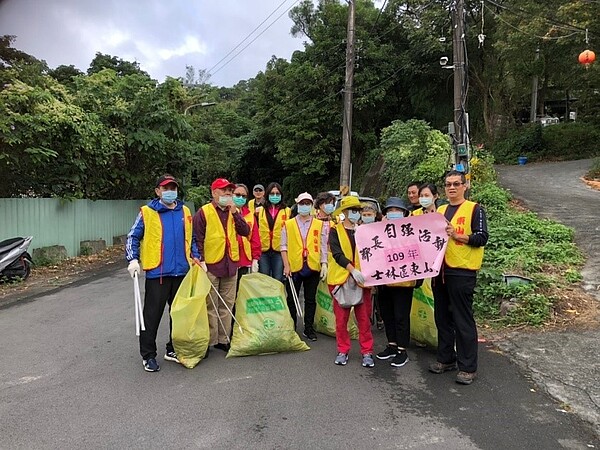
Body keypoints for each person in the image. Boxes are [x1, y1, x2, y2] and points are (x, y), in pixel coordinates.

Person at [126, 174, 201, 372]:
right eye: (166, 188)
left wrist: (196, 256)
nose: (170, 191)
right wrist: (133, 259)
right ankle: (148, 355)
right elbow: (133, 236)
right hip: (157, 273)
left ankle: (173, 348)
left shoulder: (184, 211)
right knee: (152, 316)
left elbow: (191, 238)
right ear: (158, 191)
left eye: (173, 188)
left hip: (181, 272)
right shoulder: (147, 212)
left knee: (178, 315)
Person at [429, 170, 488, 385]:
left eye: (456, 184)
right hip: (440, 271)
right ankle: (446, 359)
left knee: (463, 319)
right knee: (442, 317)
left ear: (465, 186)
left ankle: (468, 367)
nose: (451, 188)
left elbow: (482, 238)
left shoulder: (475, 209)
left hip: (462, 271)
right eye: (448, 184)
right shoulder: (441, 210)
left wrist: (457, 235)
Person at [193, 178, 250, 353]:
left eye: (229, 192)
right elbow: (197, 238)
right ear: (214, 193)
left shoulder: (233, 212)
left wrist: (235, 213)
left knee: (227, 304)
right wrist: (200, 260)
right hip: (210, 264)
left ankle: (224, 338)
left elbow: (245, 231)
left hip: (231, 264)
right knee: (211, 305)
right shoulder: (204, 212)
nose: (227, 194)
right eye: (224, 191)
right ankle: (211, 340)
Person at [327, 196, 375, 368]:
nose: (356, 213)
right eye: (352, 210)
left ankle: (367, 352)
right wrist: (352, 270)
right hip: (341, 279)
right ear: (345, 212)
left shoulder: (364, 230)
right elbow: (337, 253)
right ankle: (343, 350)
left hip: (363, 281)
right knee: (341, 320)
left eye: (358, 210)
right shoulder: (335, 231)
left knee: (364, 319)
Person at [375, 197, 419, 367]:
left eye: (397, 211)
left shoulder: (410, 232)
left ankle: (402, 350)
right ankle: (391, 345)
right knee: (387, 313)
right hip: (384, 280)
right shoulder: (379, 232)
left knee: (401, 315)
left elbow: (418, 254)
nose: (394, 214)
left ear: (404, 213)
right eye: (390, 211)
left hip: (404, 281)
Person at [281, 192, 328, 340]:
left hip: (312, 265)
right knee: (291, 299)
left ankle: (309, 328)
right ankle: (292, 327)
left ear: (312, 206)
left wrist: (324, 263)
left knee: (310, 299)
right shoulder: (288, 224)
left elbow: (323, 246)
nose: (305, 206)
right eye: (302, 203)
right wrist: (286, 265)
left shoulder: (319, 224)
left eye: (308, 203)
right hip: (294, 266)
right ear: (297, 205)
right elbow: (283, 246)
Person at [257, 182, 290, 282]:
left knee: (278, 279)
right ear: (267, 195)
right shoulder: (259, 210)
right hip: (263, 251)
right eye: (272, 194)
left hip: (279, 251)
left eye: (277, 194)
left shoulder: (287, 211)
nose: (274, 196)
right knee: (264, 279)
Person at [233, 183, 261, 287]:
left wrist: (255, 259)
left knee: (242, 290)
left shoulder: (249, 215)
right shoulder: (225, 212)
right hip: (229, 259)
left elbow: (255, 237)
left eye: (243, 196)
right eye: (237, 195)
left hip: (245, 258)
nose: (240, 198)